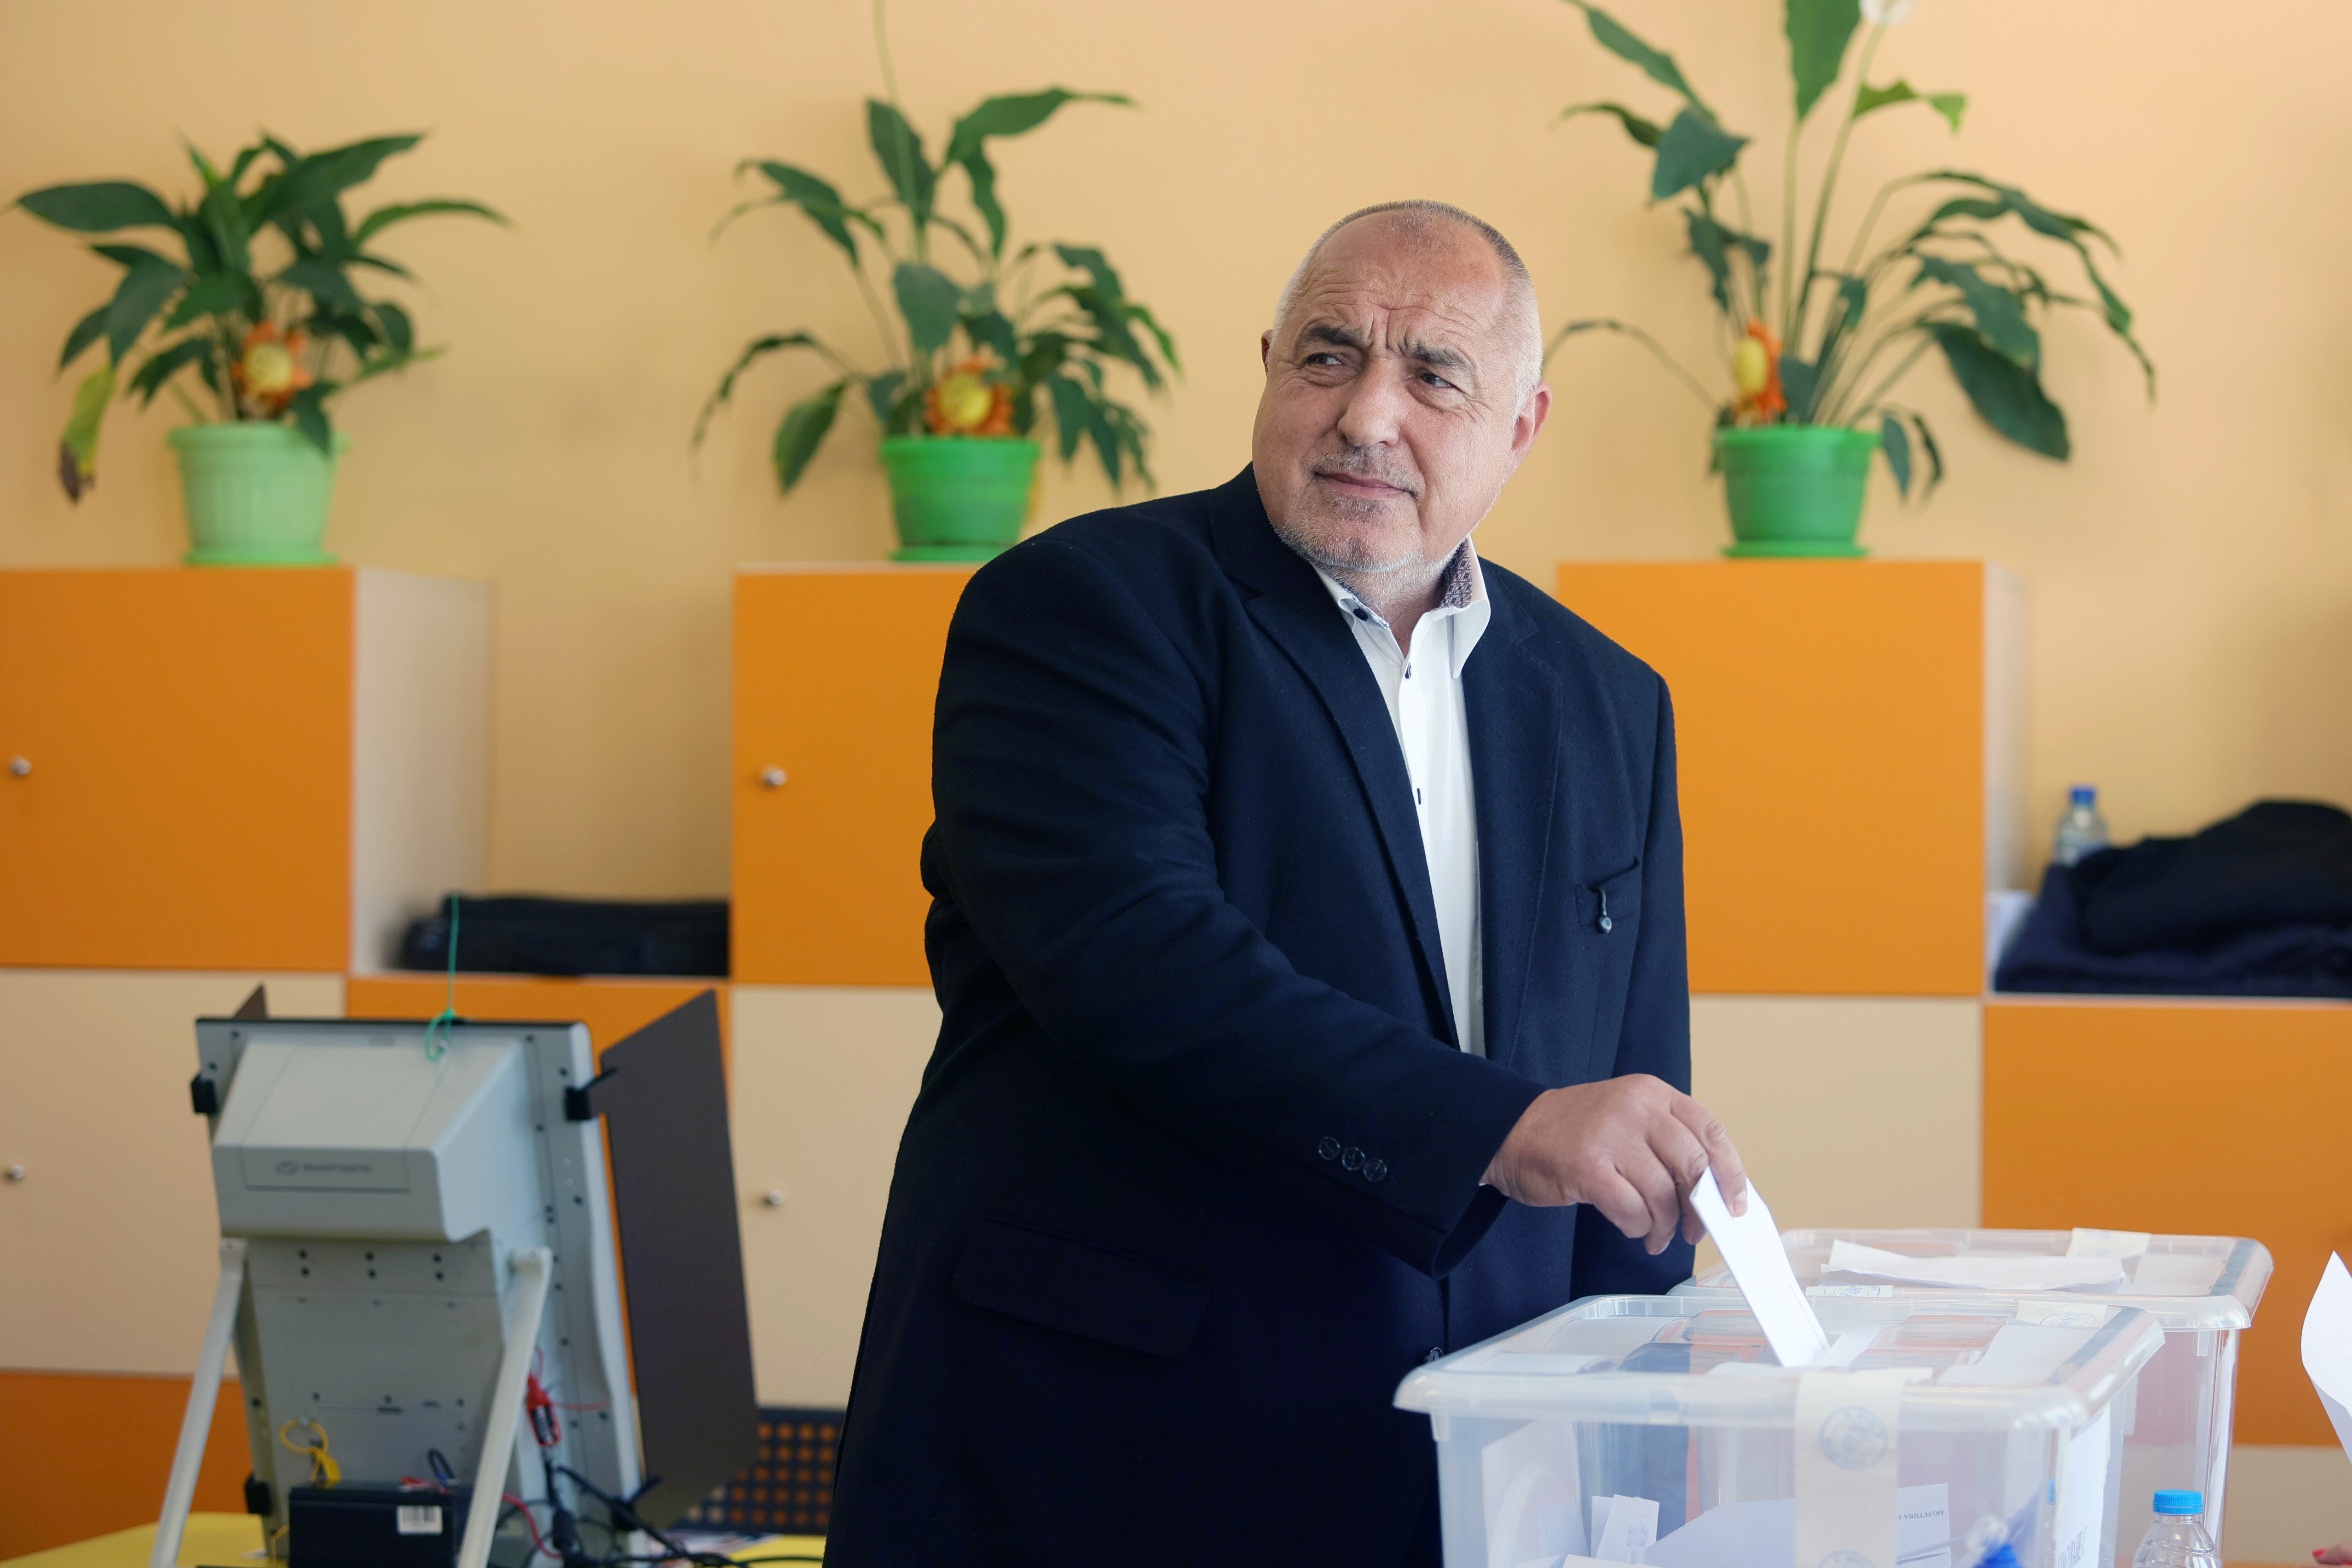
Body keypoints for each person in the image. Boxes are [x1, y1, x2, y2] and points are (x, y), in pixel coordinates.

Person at [825, 199, 1747, 1565]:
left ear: (1523, 428)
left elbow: (1628, 1125)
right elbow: (1143, 964)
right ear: (1267, 368)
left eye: (1436, 375)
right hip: (1102, 1461)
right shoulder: (1088, 607)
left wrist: (1642, 1492)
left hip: (1459, 1481)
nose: (1370, 414)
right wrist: (1502, 1126)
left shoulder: (1608, 701)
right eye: (1328, 357)